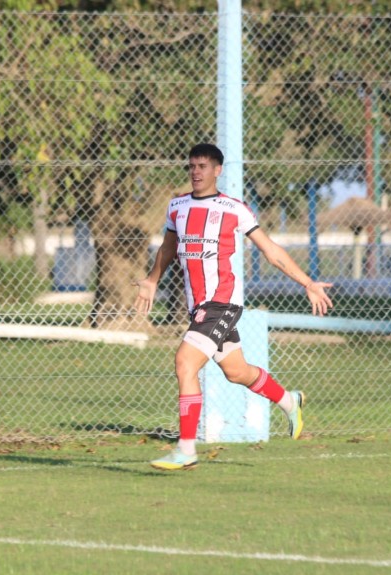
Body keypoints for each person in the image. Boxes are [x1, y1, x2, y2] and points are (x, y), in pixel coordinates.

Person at [133, 143, 334, 471]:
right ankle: (289, 400)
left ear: (217, 170)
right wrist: (152, 279)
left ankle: (186, 449)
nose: (196, 172)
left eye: (203, 166)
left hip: (222, 303)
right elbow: (168, 249)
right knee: (236, 371)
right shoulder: (177, 207)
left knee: (185, 363)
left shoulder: (233, 209)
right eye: (192, 166)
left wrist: (308, 283)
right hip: (198, 306)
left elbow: (271, 251)